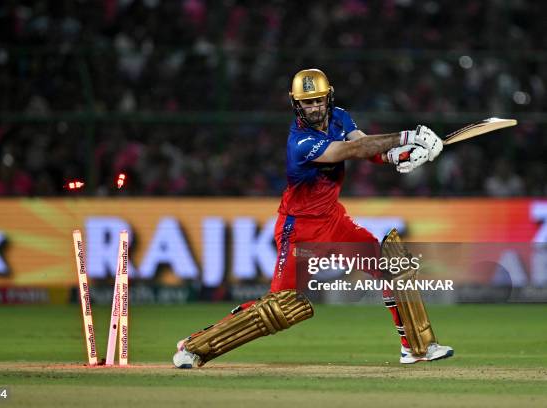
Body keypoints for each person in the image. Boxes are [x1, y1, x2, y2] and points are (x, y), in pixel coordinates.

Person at [173, 68, 453, 368]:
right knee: (280, 308)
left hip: (334, 220)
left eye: (319, 100)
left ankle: (417, 348)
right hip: (299, 231)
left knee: (391, 267)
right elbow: (352, 149)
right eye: (308, 102)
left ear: (328, 97)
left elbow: (365, 145)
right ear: (296, 104)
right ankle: (194, 346)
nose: (315, 107)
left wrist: (399, 156)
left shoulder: (340, 116)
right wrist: (407, 137)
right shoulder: (301, 143)